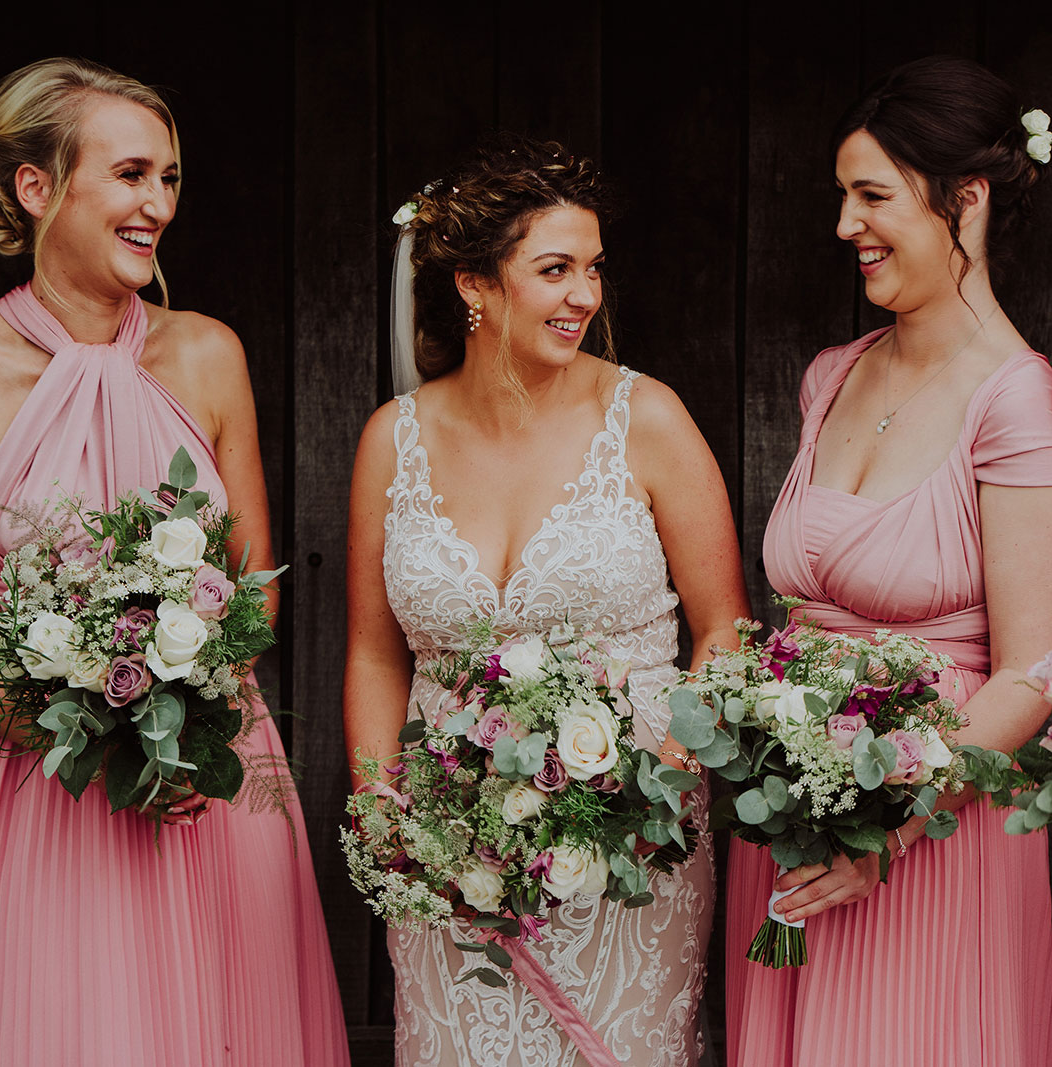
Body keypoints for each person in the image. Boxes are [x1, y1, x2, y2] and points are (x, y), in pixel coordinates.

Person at [0, 58, 349, 1065]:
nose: (157, 204)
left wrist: (181, 726)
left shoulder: (207, 354)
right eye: (132, 174)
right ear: (37, 187)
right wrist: (84, 737)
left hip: (216, 775)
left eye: (171, 179)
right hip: (49, 792)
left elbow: (254, 593)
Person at [342, 133, 748, 1067]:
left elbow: (722, 622)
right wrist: (383, 814)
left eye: (594, 269)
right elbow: (374, 653)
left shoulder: (646, 417)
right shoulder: (390, 440)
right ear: (475, 286)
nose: (585, 296)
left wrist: (666, 769)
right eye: (556, 269)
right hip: (454, 846)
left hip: (632, 841)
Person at [724, 56, 1052, 1066]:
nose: (846, 225)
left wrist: (886, 827)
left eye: (873, 195)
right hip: (798, 821)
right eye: (844, 196)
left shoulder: (1015, 401)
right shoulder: (831, 375)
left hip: (930, 840)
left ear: (964, 200)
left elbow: (1033, 670)